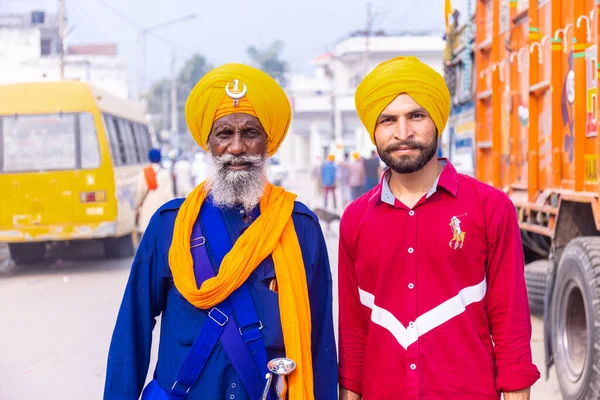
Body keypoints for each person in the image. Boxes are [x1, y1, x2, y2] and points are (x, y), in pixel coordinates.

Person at [104, 63, 337, 400]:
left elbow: (320, 341)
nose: (237, 147)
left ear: (268, 142)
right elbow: (132, 330)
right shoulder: (169, 226)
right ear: (209, 144)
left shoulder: (299, 227)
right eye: (224, 134)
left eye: (251, 133)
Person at [338, 56, 540, 399]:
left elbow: (510, 317)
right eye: (388, 120)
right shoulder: (356, 219)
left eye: (416, 115)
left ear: (438, 121)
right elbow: (354, 328)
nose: (403, 132)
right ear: (374, 130)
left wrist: (517, 389)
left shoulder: (489, 207)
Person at [134, 148, 174, 234]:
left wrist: (136, 207)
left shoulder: (143, 173)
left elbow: (139, 193)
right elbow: (169, 195)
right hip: (161, 213)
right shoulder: (165, 173)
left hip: (146, 212)